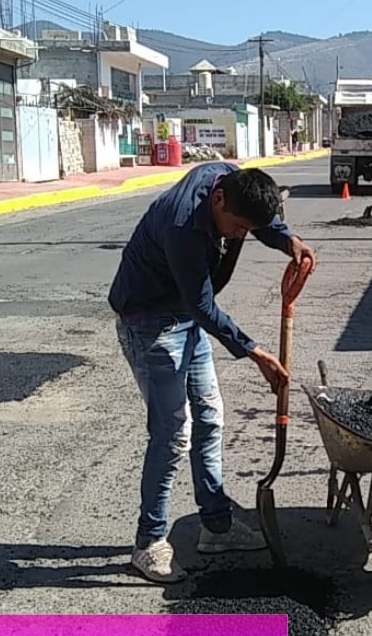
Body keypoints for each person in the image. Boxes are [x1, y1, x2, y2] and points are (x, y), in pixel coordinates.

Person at [108, 162, 316, 583]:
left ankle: (217, 527)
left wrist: (287, 240)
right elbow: (204, 307)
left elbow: (263, 220)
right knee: (173, 433)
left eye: (245, 229)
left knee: (210, 418)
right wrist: (255, 352)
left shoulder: (231, 181)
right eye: (237, 227)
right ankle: (148, 543)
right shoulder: (183, 225)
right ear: (218, 200)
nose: (239, 235)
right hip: (149, 319)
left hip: (184, 314)